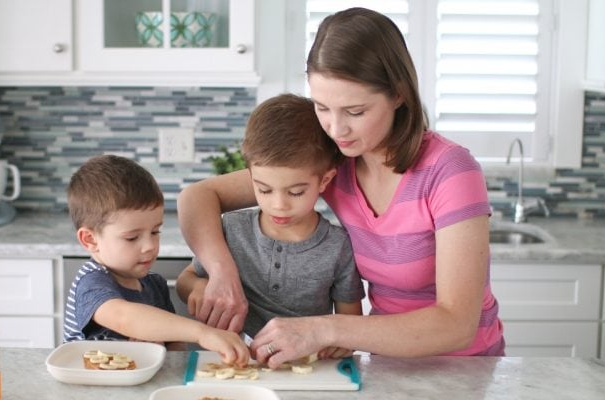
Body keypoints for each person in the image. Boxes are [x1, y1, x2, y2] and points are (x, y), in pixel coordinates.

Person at [176, 7, 504, 368]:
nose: (336, 129)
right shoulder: (337, 162)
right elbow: (197, 197)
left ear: (398, 95)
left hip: (466, 370)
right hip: (389, 365)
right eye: (322, 107)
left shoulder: (450, 171)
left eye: (355, 111)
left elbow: (457, 324)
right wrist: (222, 273)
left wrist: (325, 329)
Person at [175, 94, 365, 360]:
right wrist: (197, 290)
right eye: (263, 189)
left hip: (307, 368)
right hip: (233, 364)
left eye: (296, 192)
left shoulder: (338, 246)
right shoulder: (232, 229)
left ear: (325, 181)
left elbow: (350, 323)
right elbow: (186, 280)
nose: (278, 205)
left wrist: (336, 344)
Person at [62, 154, 250, 365]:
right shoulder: (91, 282)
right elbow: (125, 317)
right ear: (90, 239)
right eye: (132, 237)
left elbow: (175, 348)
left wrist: (163, 349)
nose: (150, 246)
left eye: (155, 232)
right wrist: (202, 333)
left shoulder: (154, 285)